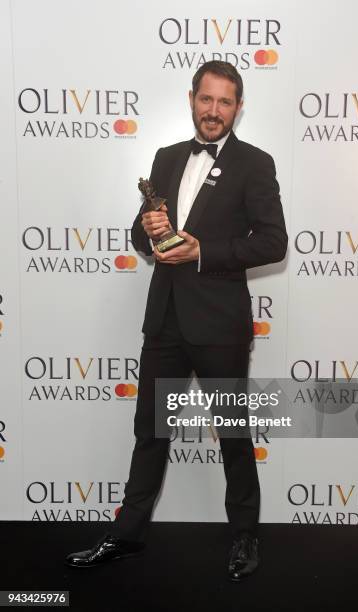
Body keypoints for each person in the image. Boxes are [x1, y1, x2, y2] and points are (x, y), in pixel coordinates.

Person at [66, 61, 288, 581]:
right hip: (164, 321)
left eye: (225, 102)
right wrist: (149, 232)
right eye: (206, 100)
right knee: (150, 433)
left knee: (233, 433)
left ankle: (245, 535)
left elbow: (273, 242)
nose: (214, 111)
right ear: (192, 99)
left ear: (238, 107)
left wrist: (201, 251)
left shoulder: (255, 163)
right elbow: (142, 237)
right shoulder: (166, 157)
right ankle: (127, 534)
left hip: (219, 326)